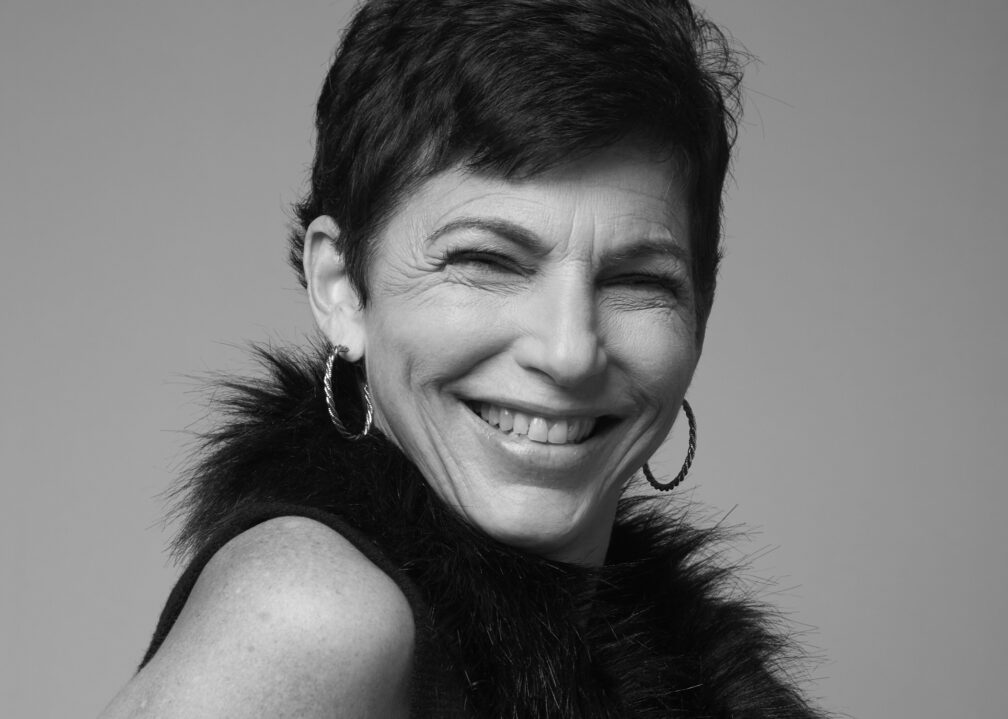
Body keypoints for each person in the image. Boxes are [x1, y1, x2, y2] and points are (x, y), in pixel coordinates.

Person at [101, 0, 826, 716]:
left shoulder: (659, 651)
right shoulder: (312, 611)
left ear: (702, 303)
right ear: (342, 287)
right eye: (485, 261)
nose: (569, 353)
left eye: (639, 280)